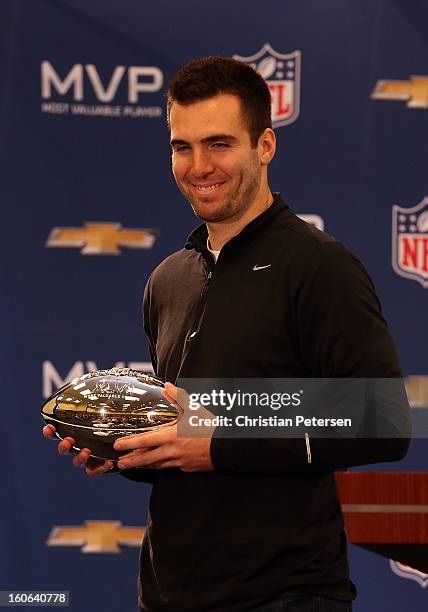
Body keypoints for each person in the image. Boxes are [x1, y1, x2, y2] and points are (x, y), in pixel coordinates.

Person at [44, 56, 410, 611]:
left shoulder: (318, 267)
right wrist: (127, 447)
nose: (198, 166)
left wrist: (217, 441)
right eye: (181, 146)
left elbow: (382, 417)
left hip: (284, 597)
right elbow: (189, 442)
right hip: (168, 595)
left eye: (219, 143)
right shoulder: (168, 279)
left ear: (265, 145)